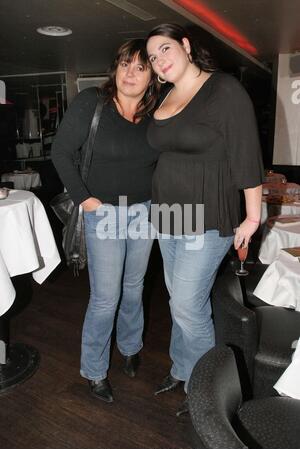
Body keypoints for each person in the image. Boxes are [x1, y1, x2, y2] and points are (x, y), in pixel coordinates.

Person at [146, 24, 264, 414]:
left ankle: (208, 393)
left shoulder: (223, 89)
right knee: (180, 302)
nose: (158, 60)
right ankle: (182, 369)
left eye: (164, 49)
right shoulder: (165, 94)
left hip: (207, 215)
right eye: (152, 57)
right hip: (167, 215)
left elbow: (246, 154)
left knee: (185, 305)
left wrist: (251, 216)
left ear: (185, 45)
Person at [51, 39, 160, 403]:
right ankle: (95, 370)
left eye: (141, 67)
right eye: (126, 64)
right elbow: (61, 152)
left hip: (144, 212)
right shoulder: (93, 102)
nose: (131, 73)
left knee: (134, 288)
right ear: (115, 68)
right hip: (106, 215)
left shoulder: (156, 112)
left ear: (151, 77)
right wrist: (86, 199)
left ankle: (130, 347)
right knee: (105, 298)